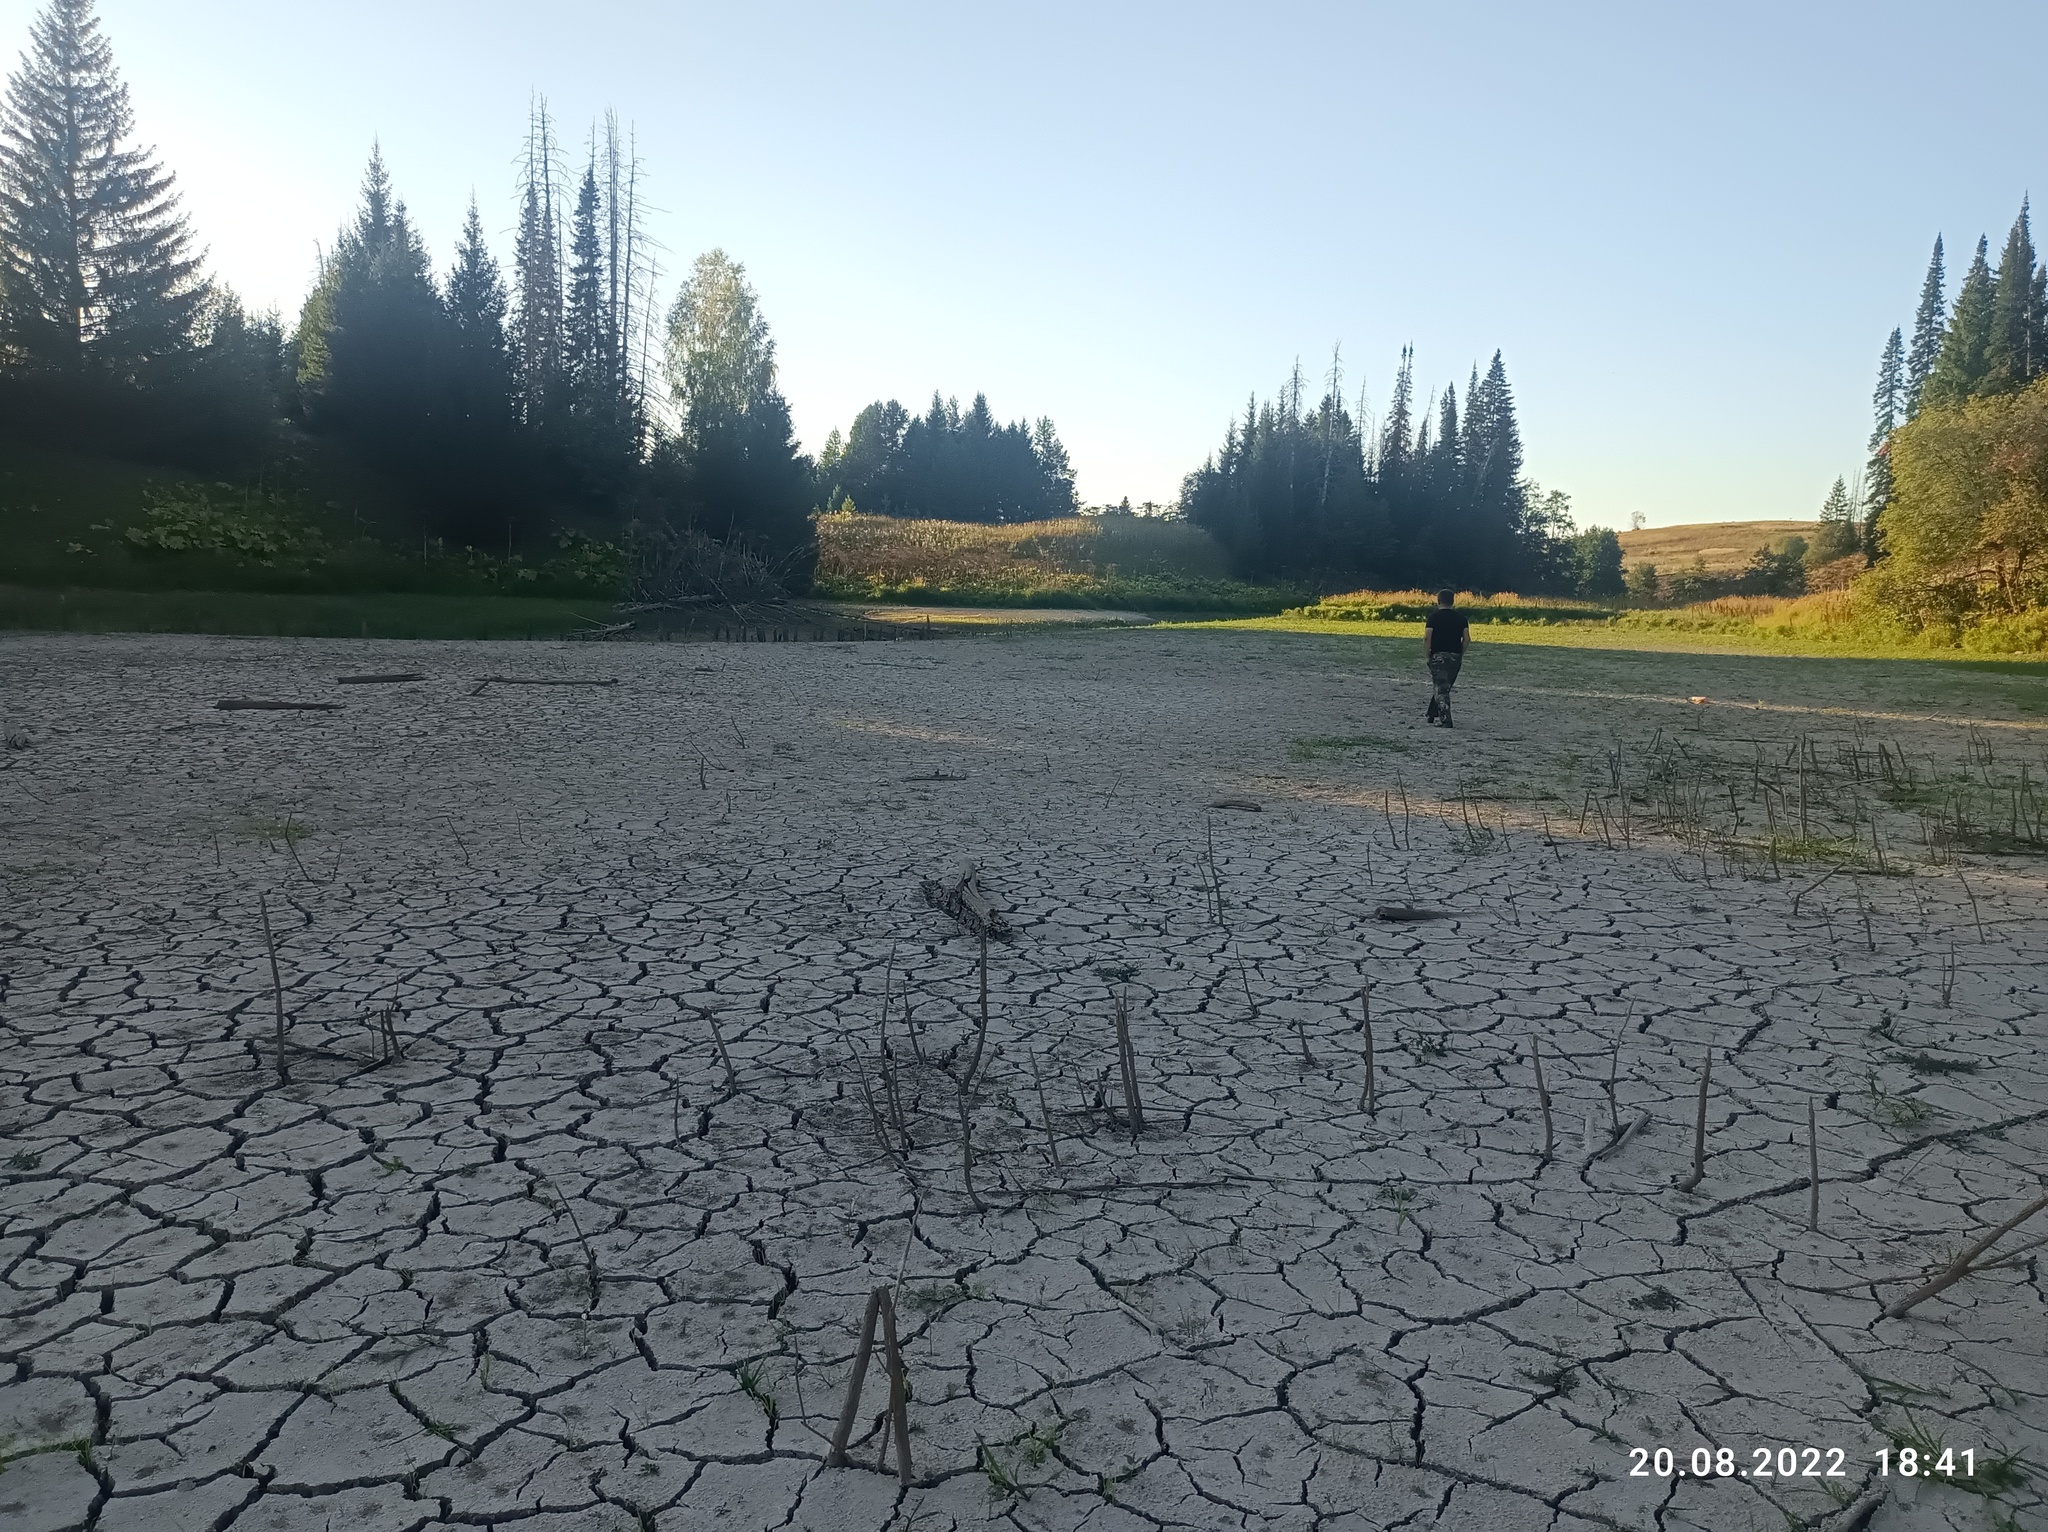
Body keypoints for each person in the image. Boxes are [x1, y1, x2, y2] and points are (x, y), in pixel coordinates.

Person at [1422, 588, 1469, 727]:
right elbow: (1466, 639)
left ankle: (1445, 719)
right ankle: (1431, 713)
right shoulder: (1461, 618)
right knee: (1444, 687)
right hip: (1455, 656)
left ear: (1438, 601)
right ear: (1453, 602)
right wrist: (1460, 653)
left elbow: (1427, 637)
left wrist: (1428, 655)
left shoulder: (1433, 617)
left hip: (1438, 655)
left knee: (1441, 688)